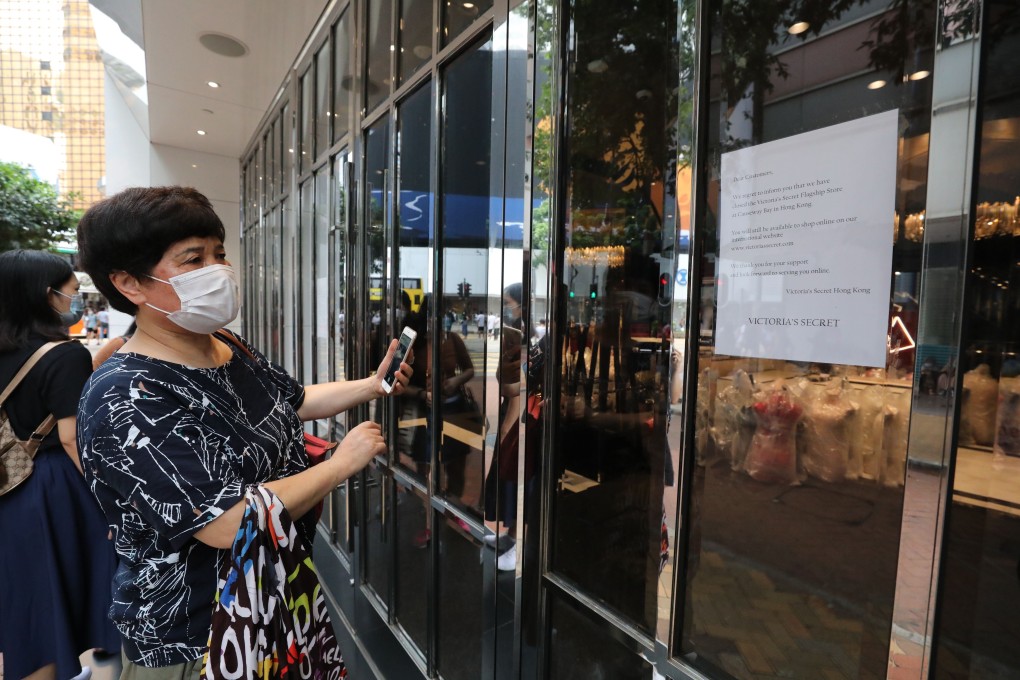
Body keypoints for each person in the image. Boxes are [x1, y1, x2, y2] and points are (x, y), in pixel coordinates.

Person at [74, 186, 412, 675]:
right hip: (201, 639)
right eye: (193, 259)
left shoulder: (224, 344)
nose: (218, 271)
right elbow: (226, 521)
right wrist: (341, 464)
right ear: (129, 283)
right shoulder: (125, 396)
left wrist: (373, 385)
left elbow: (293, 402)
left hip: (273, 604)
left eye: (219, 254)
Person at [0, 250, 120, 680]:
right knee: (53, 599)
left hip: (5, 486)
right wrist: (110, 502)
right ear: (46, 296)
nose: (75, 301)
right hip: (48, 488)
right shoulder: (63, 354)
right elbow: (71, 436)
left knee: (25, 605)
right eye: (72, 292)